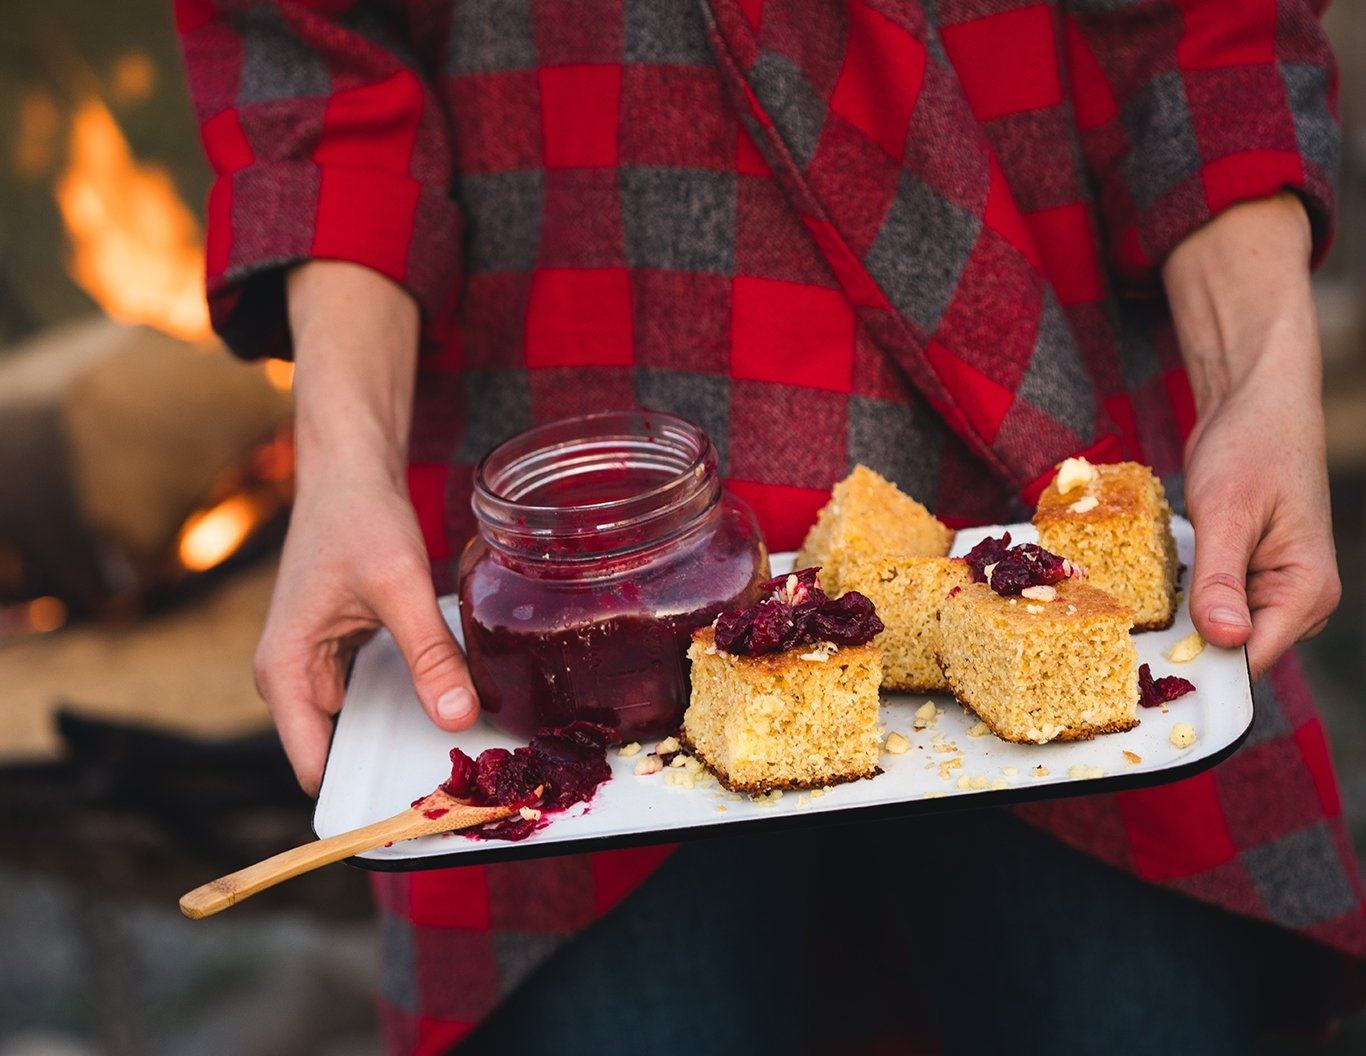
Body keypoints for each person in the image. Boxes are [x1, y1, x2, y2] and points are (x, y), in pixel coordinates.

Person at [177, 0, 1365, 1051]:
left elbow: (1207, 28)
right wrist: (343, 461)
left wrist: (1260, 373)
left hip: (1051, 397)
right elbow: (315, 67)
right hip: (548, 416)